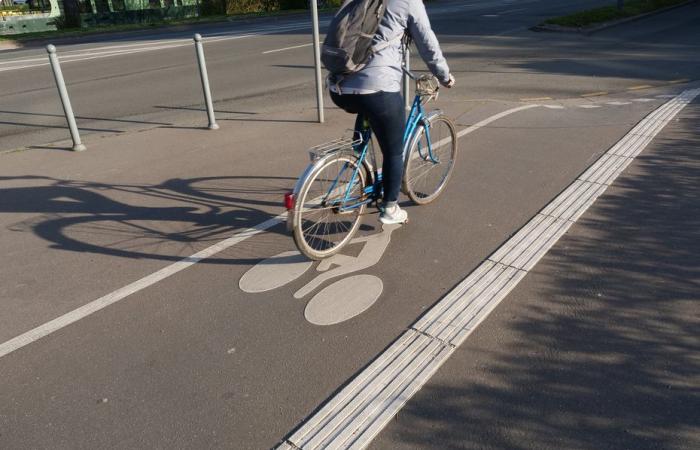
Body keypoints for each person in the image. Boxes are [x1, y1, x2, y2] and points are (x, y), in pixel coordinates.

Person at [328, 0, 454, 225]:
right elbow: (427, 42)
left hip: (338, 87)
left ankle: (358, 161)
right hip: (377, 88)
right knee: (394, 151)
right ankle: (390, 207)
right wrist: (444, 76)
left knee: (366, 109)